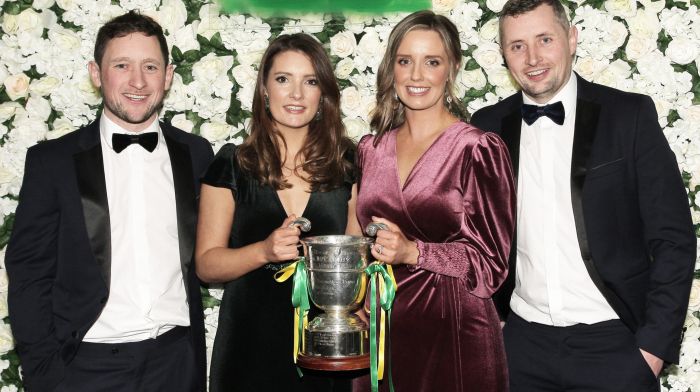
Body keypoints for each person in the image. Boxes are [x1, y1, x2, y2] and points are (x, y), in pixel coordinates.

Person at [470, 0, 697, 391]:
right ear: (504, 55)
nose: (533, 58)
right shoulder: (486, 127)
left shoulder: (629, 116)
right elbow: (476, 234)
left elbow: (674, 238)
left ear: (571, 39)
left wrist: (651, 351)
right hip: (522, 349)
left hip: (615, 347)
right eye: (517, 45)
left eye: (545, 39)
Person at [4, 11, 213, 392]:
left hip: (176, 364)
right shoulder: (52, 162)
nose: (137, 81)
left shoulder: (196, 153)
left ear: (167, 77)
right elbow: (28, 273)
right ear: (97, 73)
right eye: (122, 65)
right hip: (84, 368)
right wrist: (45, 372)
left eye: (150, 66)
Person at [354, 10, 516, 392]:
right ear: (391, 67)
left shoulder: (477, 148)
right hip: (381, 327)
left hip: (455, 329)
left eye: (432, 62)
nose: (416, 75)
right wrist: (355, 296)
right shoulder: (369, 149)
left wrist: (414, 252)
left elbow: (491, 264)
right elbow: (359, 240)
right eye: (405, 61)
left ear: (452, 68)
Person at [195, 33, 359, 392]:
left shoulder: (349, 164)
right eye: (283, 79)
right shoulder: (233, 164)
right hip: (249, 344)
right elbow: (206, 264)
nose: (296, 94)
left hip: (326, 347)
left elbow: (356, 266)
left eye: (310, 81)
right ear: (265, 89)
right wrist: (263, 252)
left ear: (324, 93)